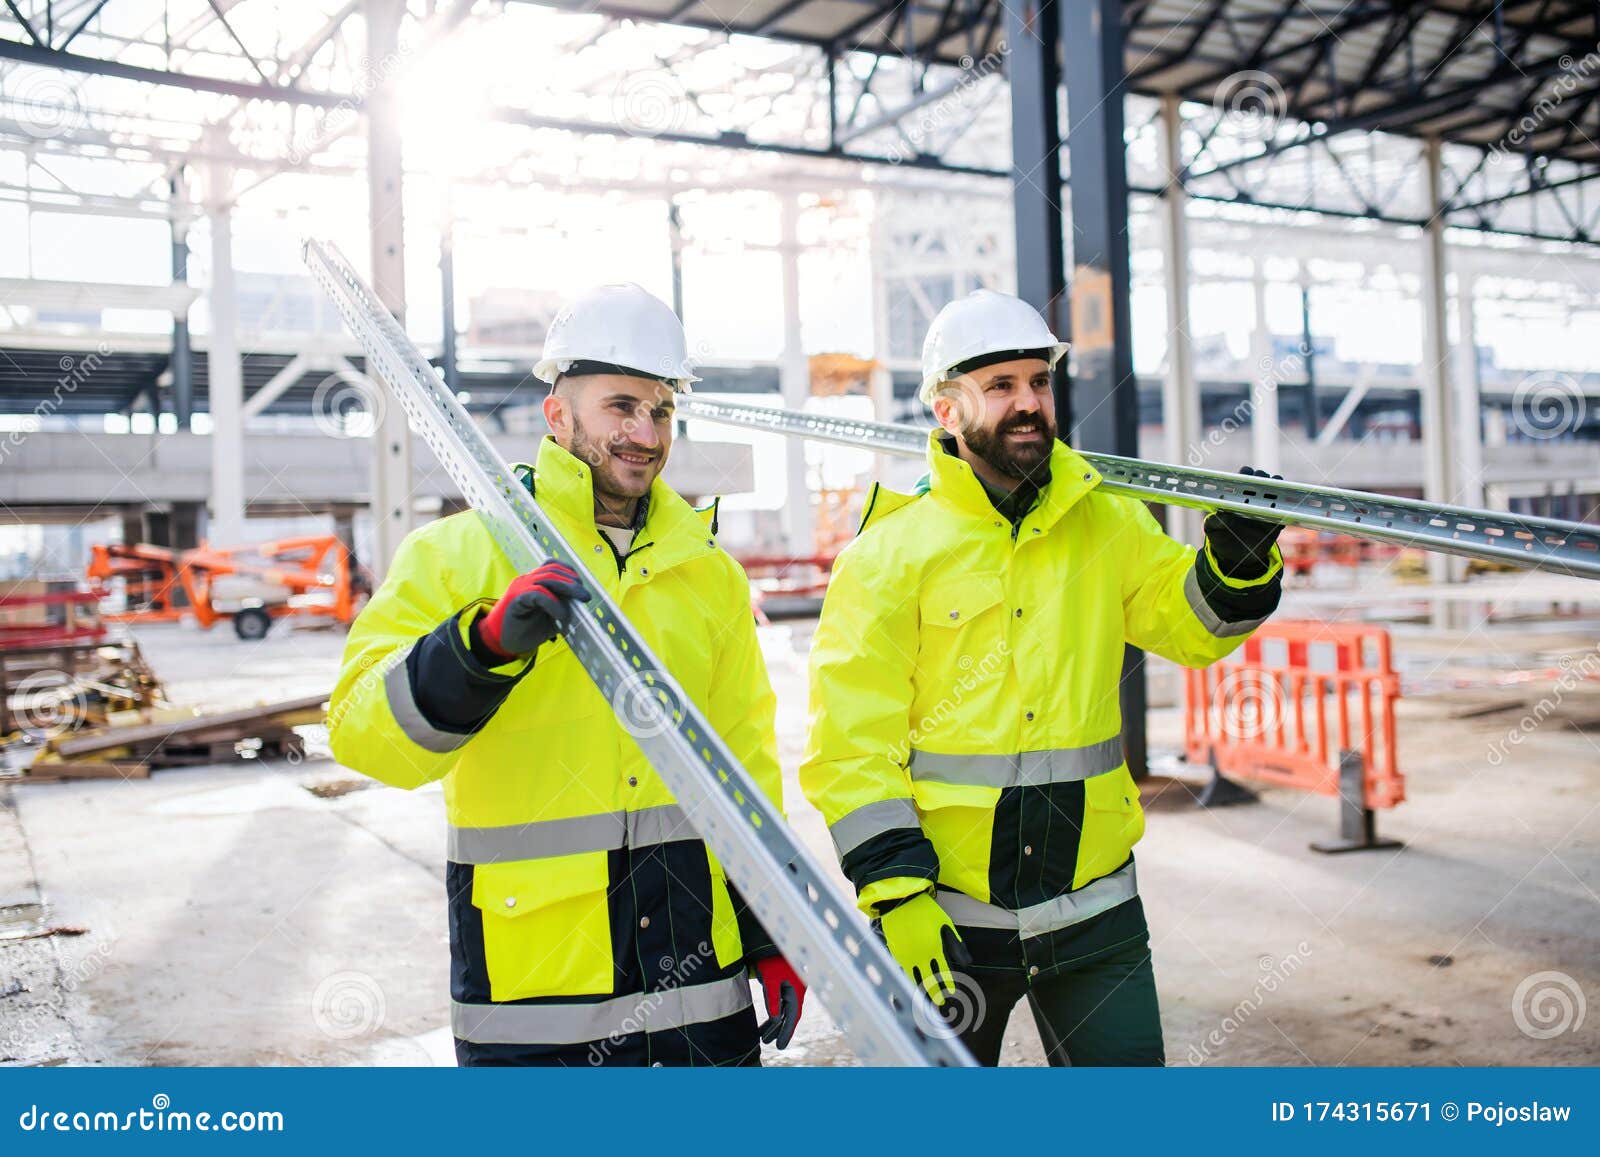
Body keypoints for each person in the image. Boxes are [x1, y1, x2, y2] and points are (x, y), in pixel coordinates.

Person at [800, 289, 1283, 1065]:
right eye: (1002, 387)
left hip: (1095, 909)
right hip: (948, 918)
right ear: (947, 410)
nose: (1029, 405)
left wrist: (1239, 563)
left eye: (1039, 383)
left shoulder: (1106, 520)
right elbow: (853, 744)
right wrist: (897, 892)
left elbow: (1191, 626)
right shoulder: (889, 557)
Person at [330, 283, 803, 1066]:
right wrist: (476, 650)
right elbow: (358, 734)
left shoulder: (709, 574)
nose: (644, 432)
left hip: (699, 994)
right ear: (558, 415)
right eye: (621, 405)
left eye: (661, 410)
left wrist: (770, 926)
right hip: (537, 1005)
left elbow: (745, 768)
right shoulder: (458, 555)